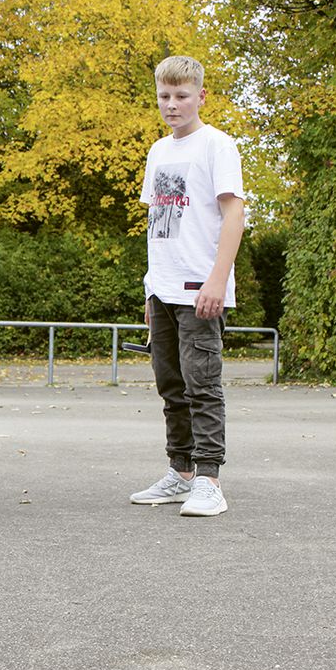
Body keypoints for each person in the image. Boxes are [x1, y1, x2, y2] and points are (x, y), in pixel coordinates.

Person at [130, 55, 245, 517]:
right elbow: (159, 224)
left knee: (202, 385)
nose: (172, 105)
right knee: (171, 386)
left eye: (181, 96)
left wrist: (217, 280)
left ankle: (209, 479)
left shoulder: (217, 146)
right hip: (162, 288)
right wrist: (149, 289)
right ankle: (180, 474)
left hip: (200, 287)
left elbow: (234, 213)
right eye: (164, 96)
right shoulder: (158, 151)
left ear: (201, 96)